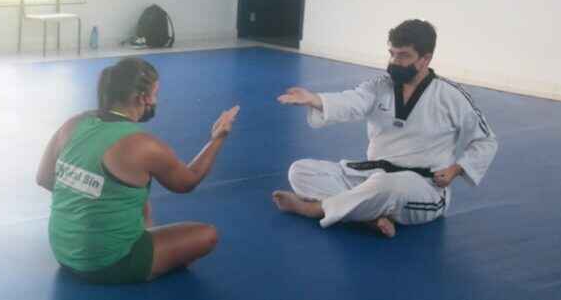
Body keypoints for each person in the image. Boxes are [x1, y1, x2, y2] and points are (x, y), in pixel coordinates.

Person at [272, 19, 497, 238]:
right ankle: (367, 217)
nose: (394, 62)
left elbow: (486, 141)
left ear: (425, 58)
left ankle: (313, 209)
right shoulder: (379, 86)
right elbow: (351, 101)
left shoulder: (451, 96)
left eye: (403, 55)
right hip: (373, 173)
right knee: (300, 170)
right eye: (392, 53)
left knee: (385, 186)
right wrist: (315, 99)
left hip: (422, 186)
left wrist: (456, 169)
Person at [37, 57, 239, 283]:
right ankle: (147, 264)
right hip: (108, 263)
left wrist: (86, 193)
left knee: (137, 193)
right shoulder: (142, 144)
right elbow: (188, 181)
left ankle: (136, 247)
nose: (156, 100)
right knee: (207, 235)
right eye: (155, 93)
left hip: (63, 252)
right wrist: (219, 137)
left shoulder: (74, 123)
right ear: (142, 98)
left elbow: (44, 179)